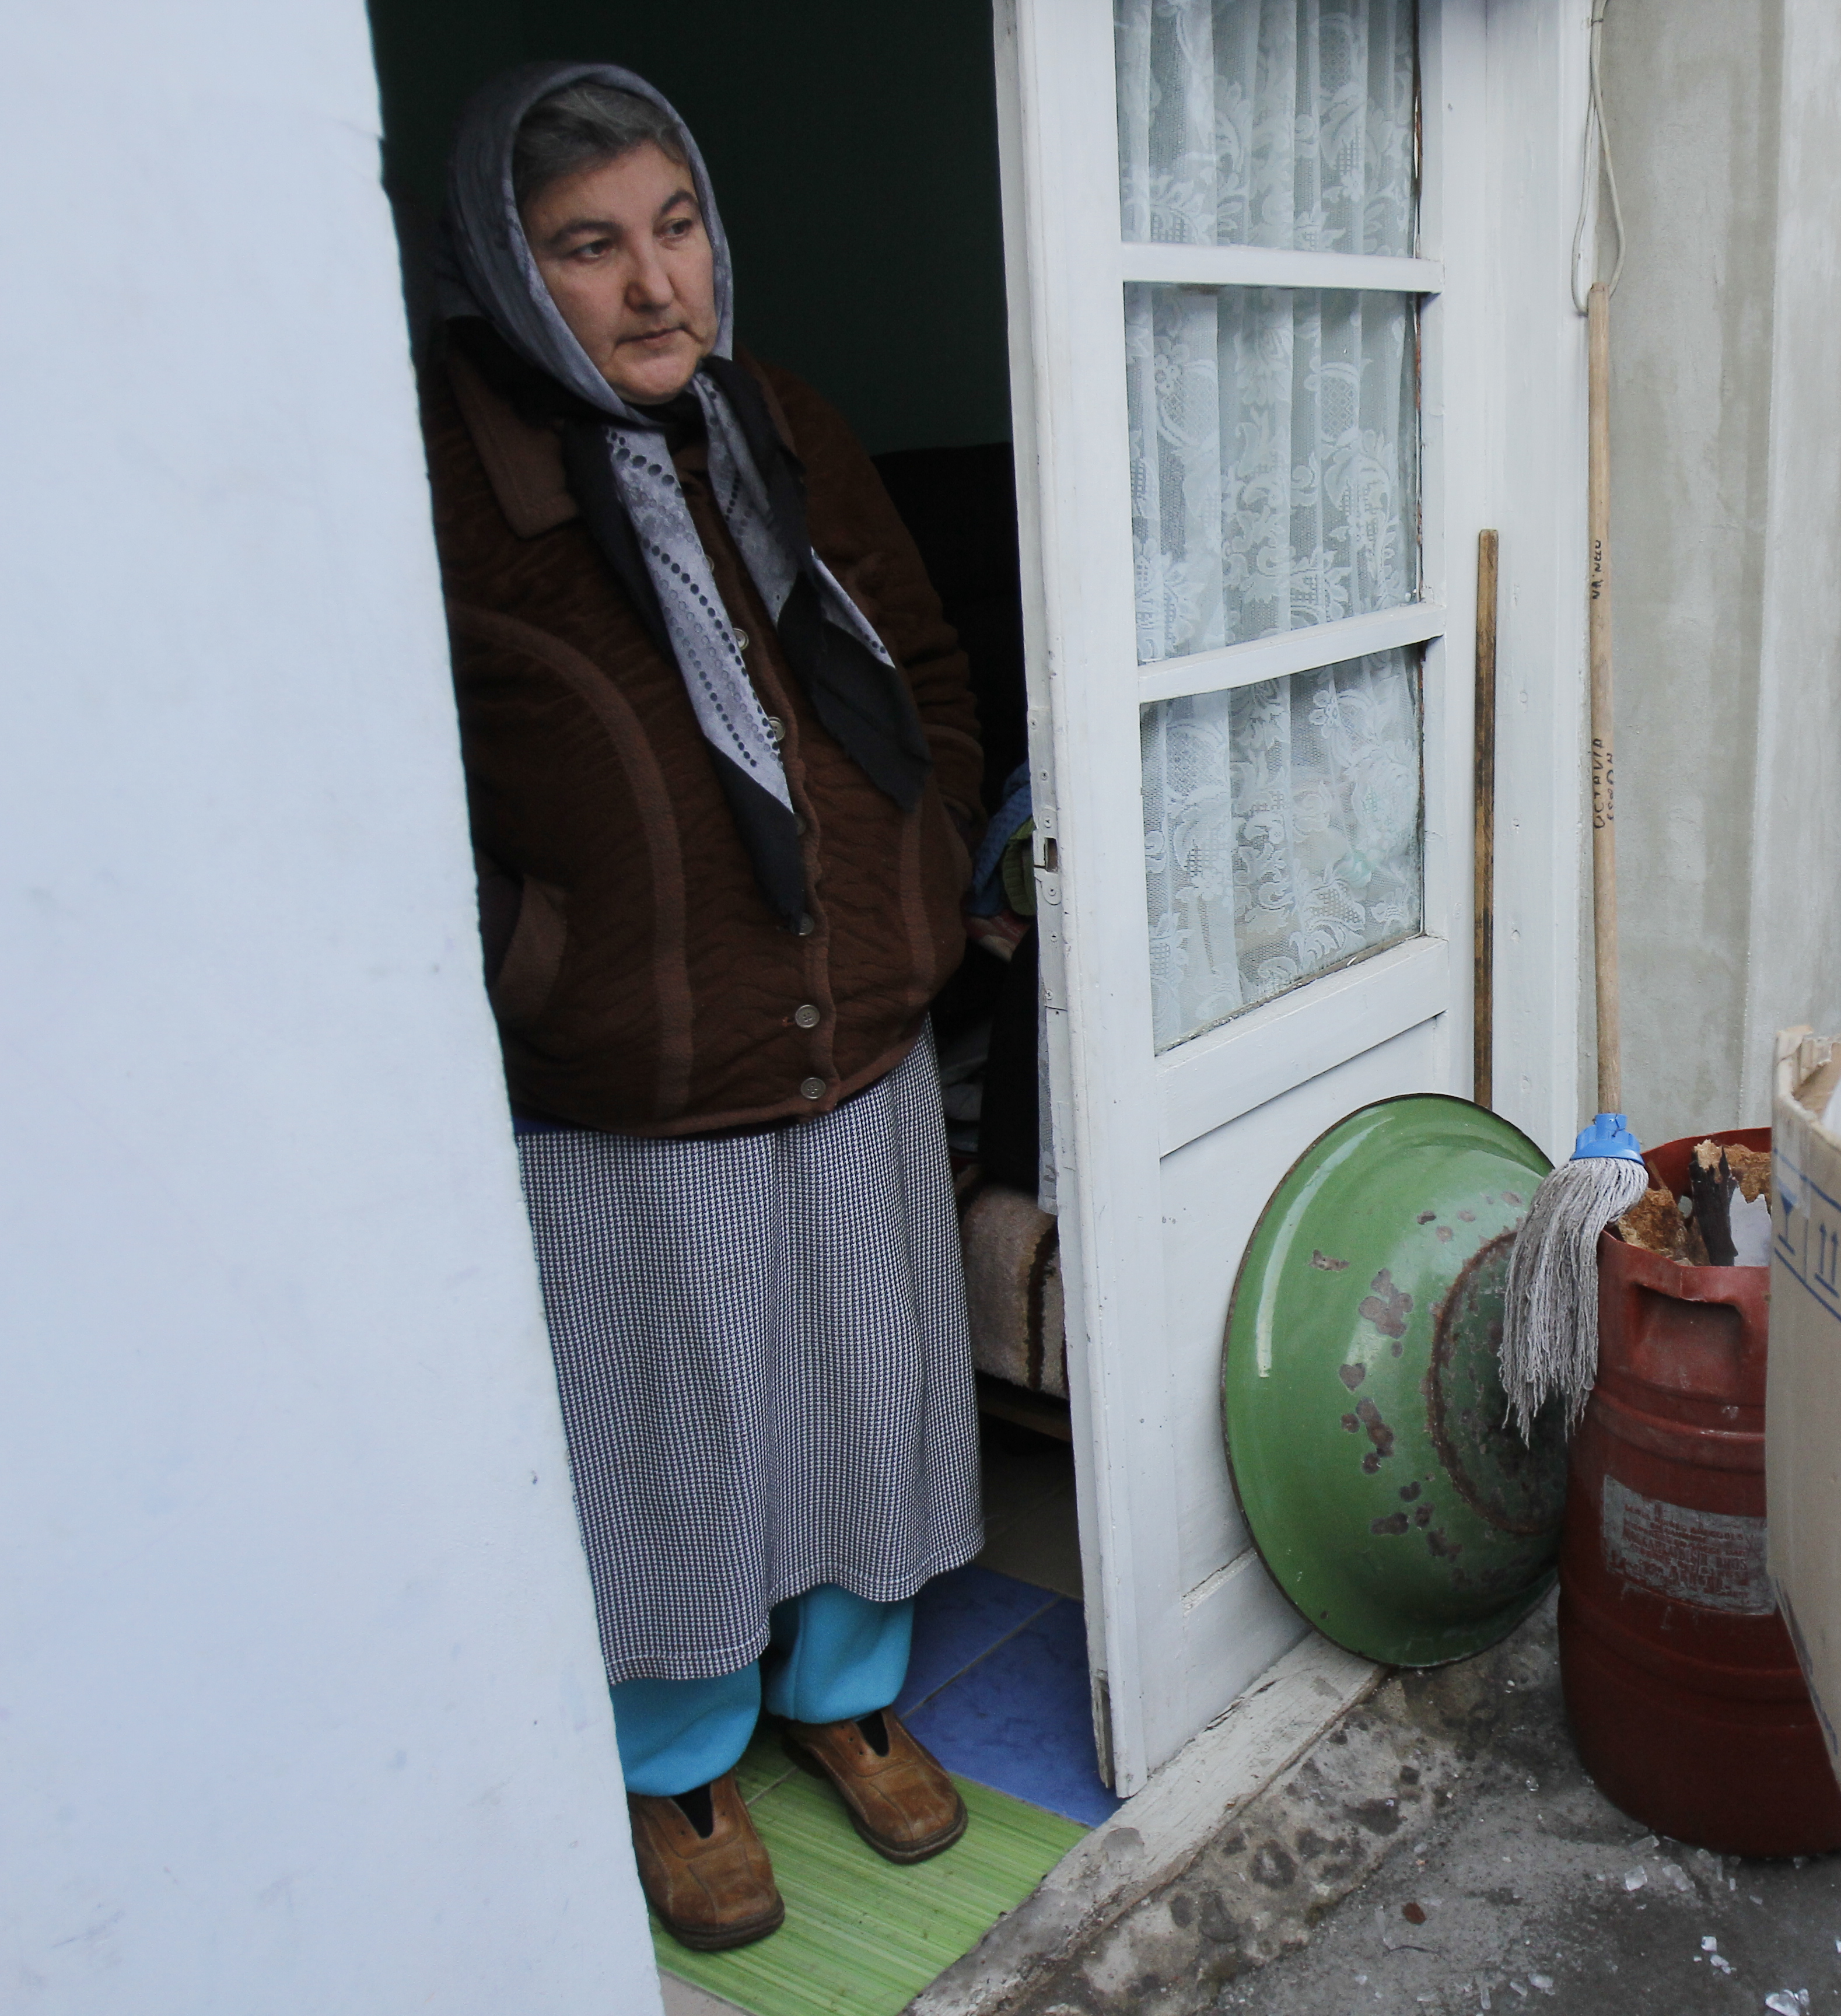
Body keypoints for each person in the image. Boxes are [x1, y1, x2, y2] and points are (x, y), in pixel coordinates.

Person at [424, 64, 991, 1950]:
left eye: (676, 229)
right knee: (667, 1421)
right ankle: (676, 1759)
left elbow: (919, 660)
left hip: (858, 1024)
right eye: (591, 248)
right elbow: (385, 777)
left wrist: (913, 898)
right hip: (633, 1069)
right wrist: (540, 957)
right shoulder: (440, 469)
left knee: (860, 1373)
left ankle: (849, 1700)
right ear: (514, 274)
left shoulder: (786, 421)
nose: (657, 286)